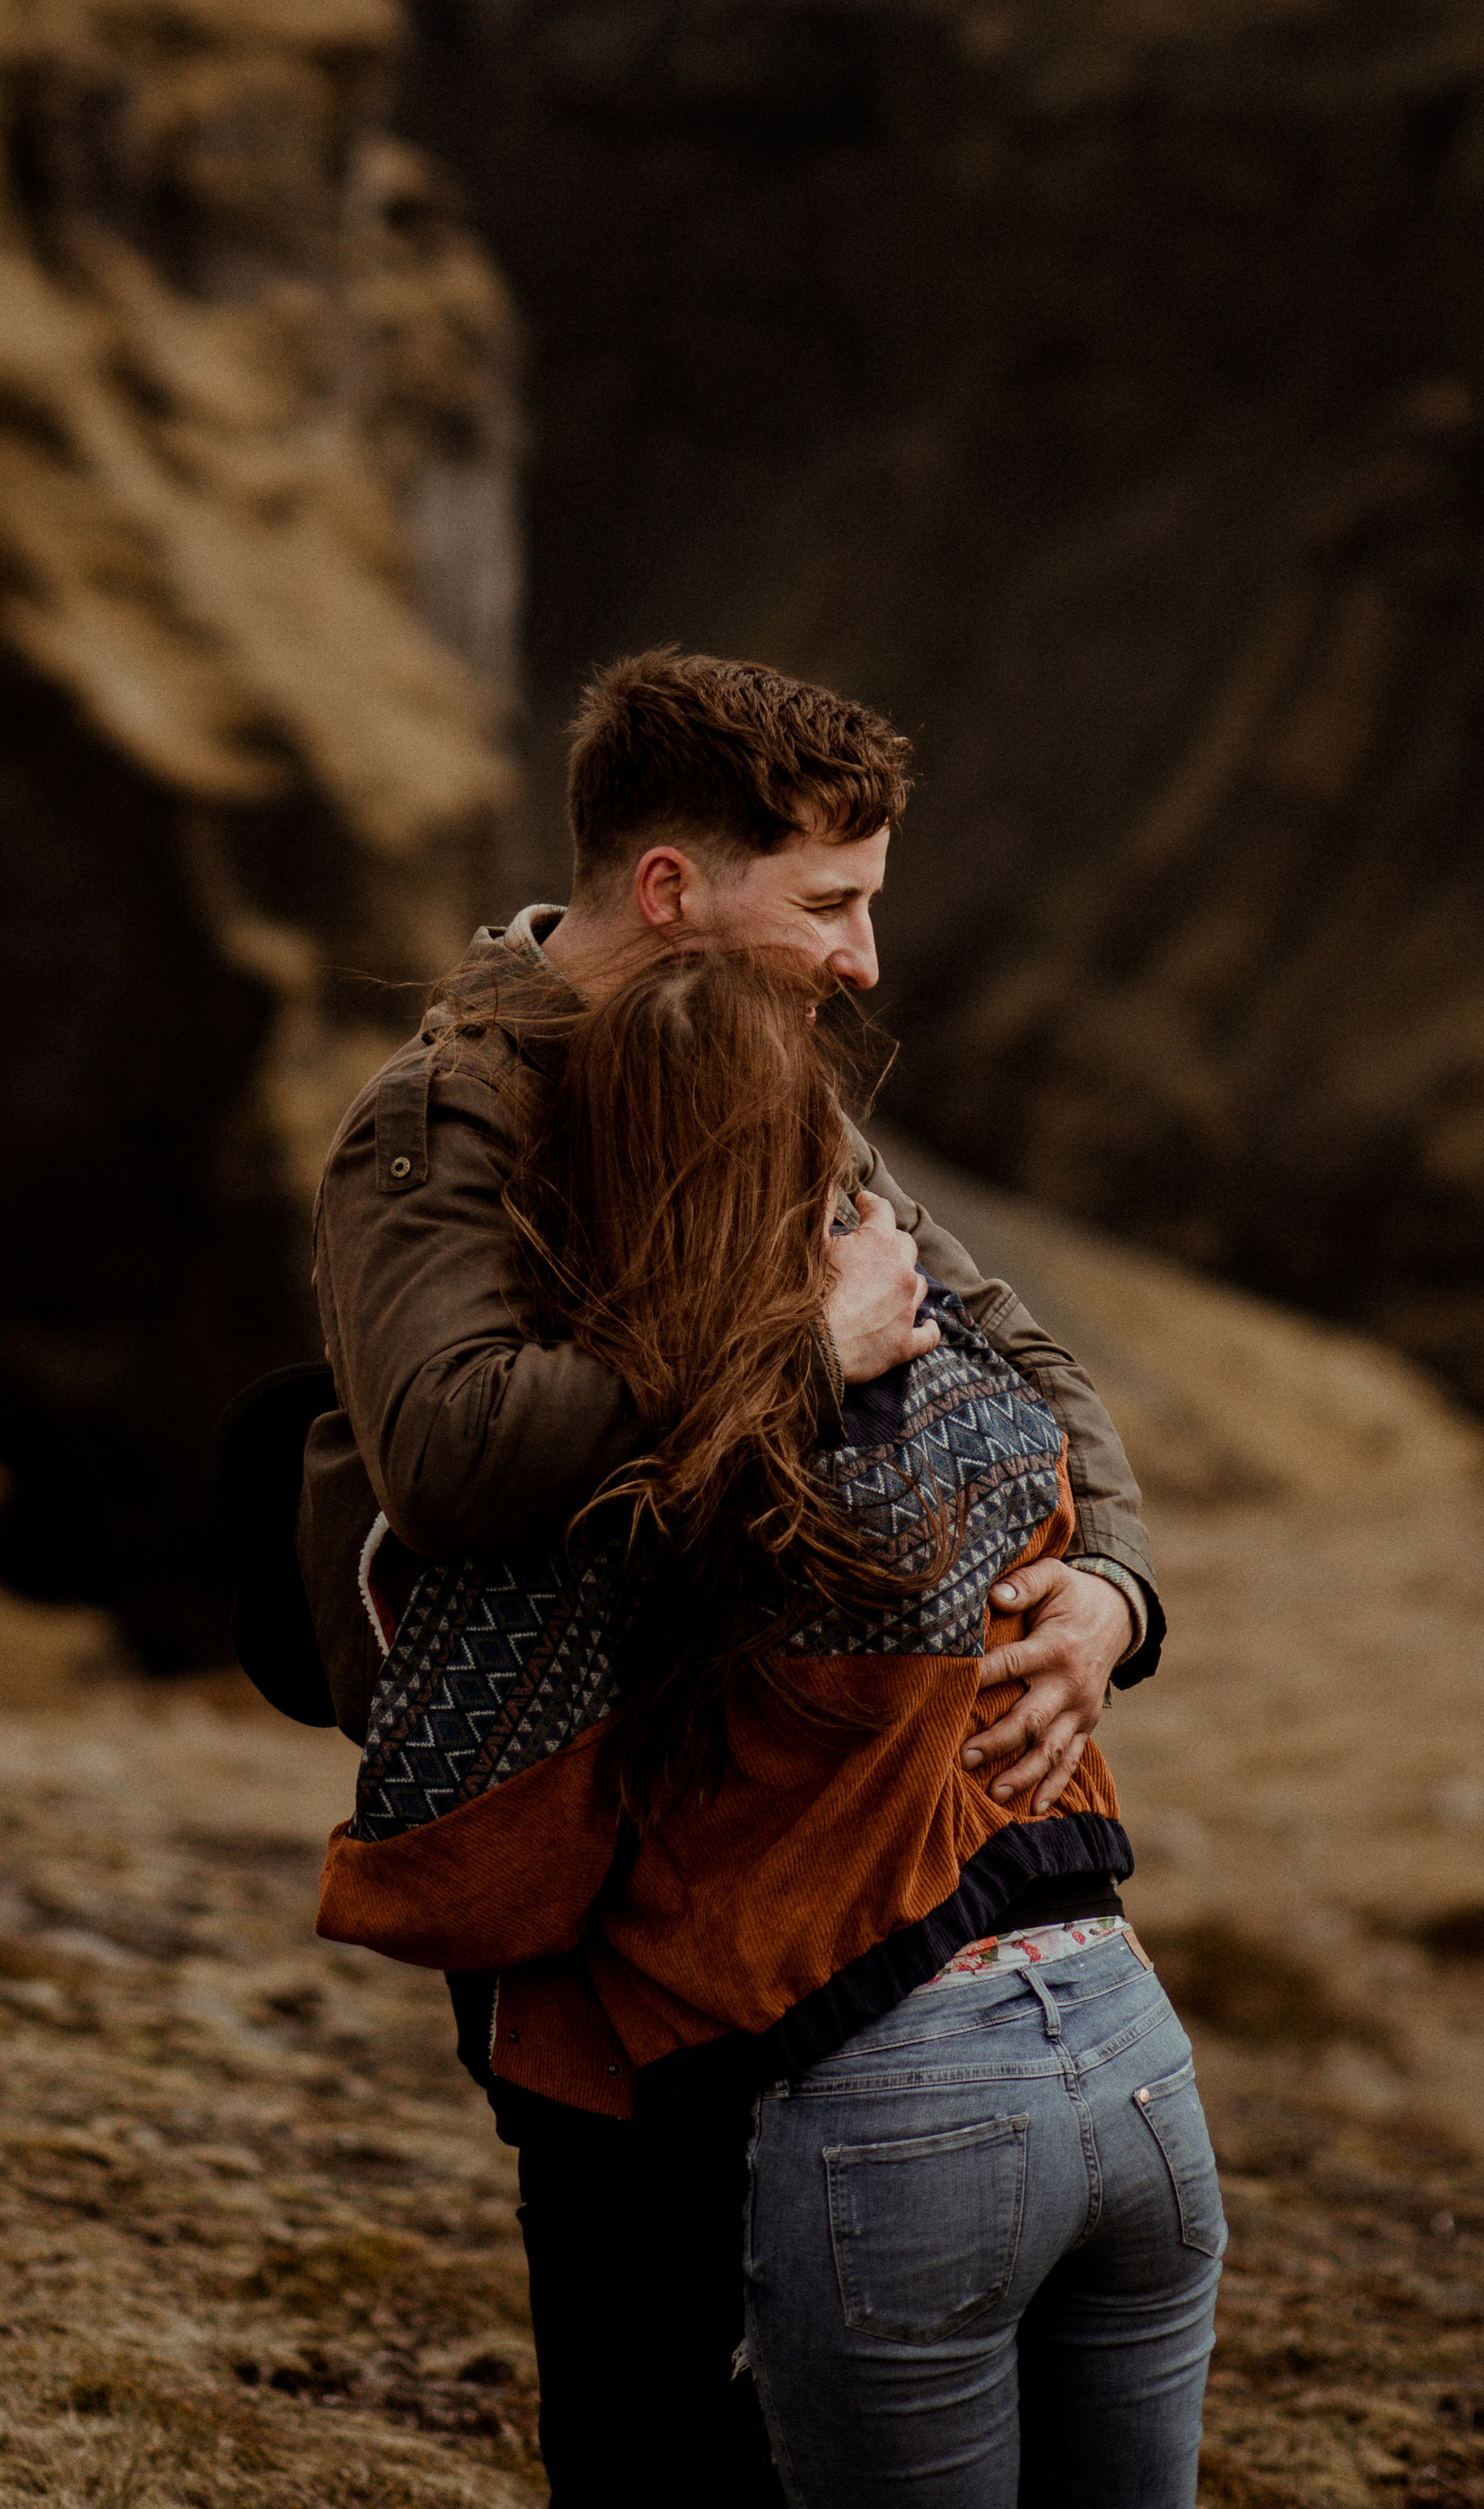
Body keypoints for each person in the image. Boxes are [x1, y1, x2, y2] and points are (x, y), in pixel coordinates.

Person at [301, 649, 1168, 2504]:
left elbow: (1032, 1357)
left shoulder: (778, 1083)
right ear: (673, 887)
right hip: (600, 1933)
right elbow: (448, 1454)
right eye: (831, 904)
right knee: (652, 2435)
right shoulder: (435, 1120)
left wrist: (1109, 1596)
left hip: (837, 1935)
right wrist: (800, 1342)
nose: (864, 959)